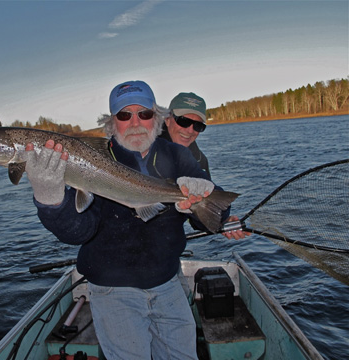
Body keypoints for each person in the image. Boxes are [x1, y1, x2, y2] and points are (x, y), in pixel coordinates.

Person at [23, 80, 231, 360]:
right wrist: (51, 201)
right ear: (111, 123)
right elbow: (78, 232)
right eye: (124, 115)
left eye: (144, 114)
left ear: (156, 119)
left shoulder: (178, 154)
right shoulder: (92, 160)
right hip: (112, 289)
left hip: (167, 282)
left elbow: (212, 218)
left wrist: (201, 199)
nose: (135, 122)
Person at [161, 92, 248, 240]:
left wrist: (221, 220)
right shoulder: (143, 146)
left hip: (166, 246)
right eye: (183, 121)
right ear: (168, 120)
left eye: (198, 125)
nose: (190, 130)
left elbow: (199, 222)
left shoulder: (199, 161)